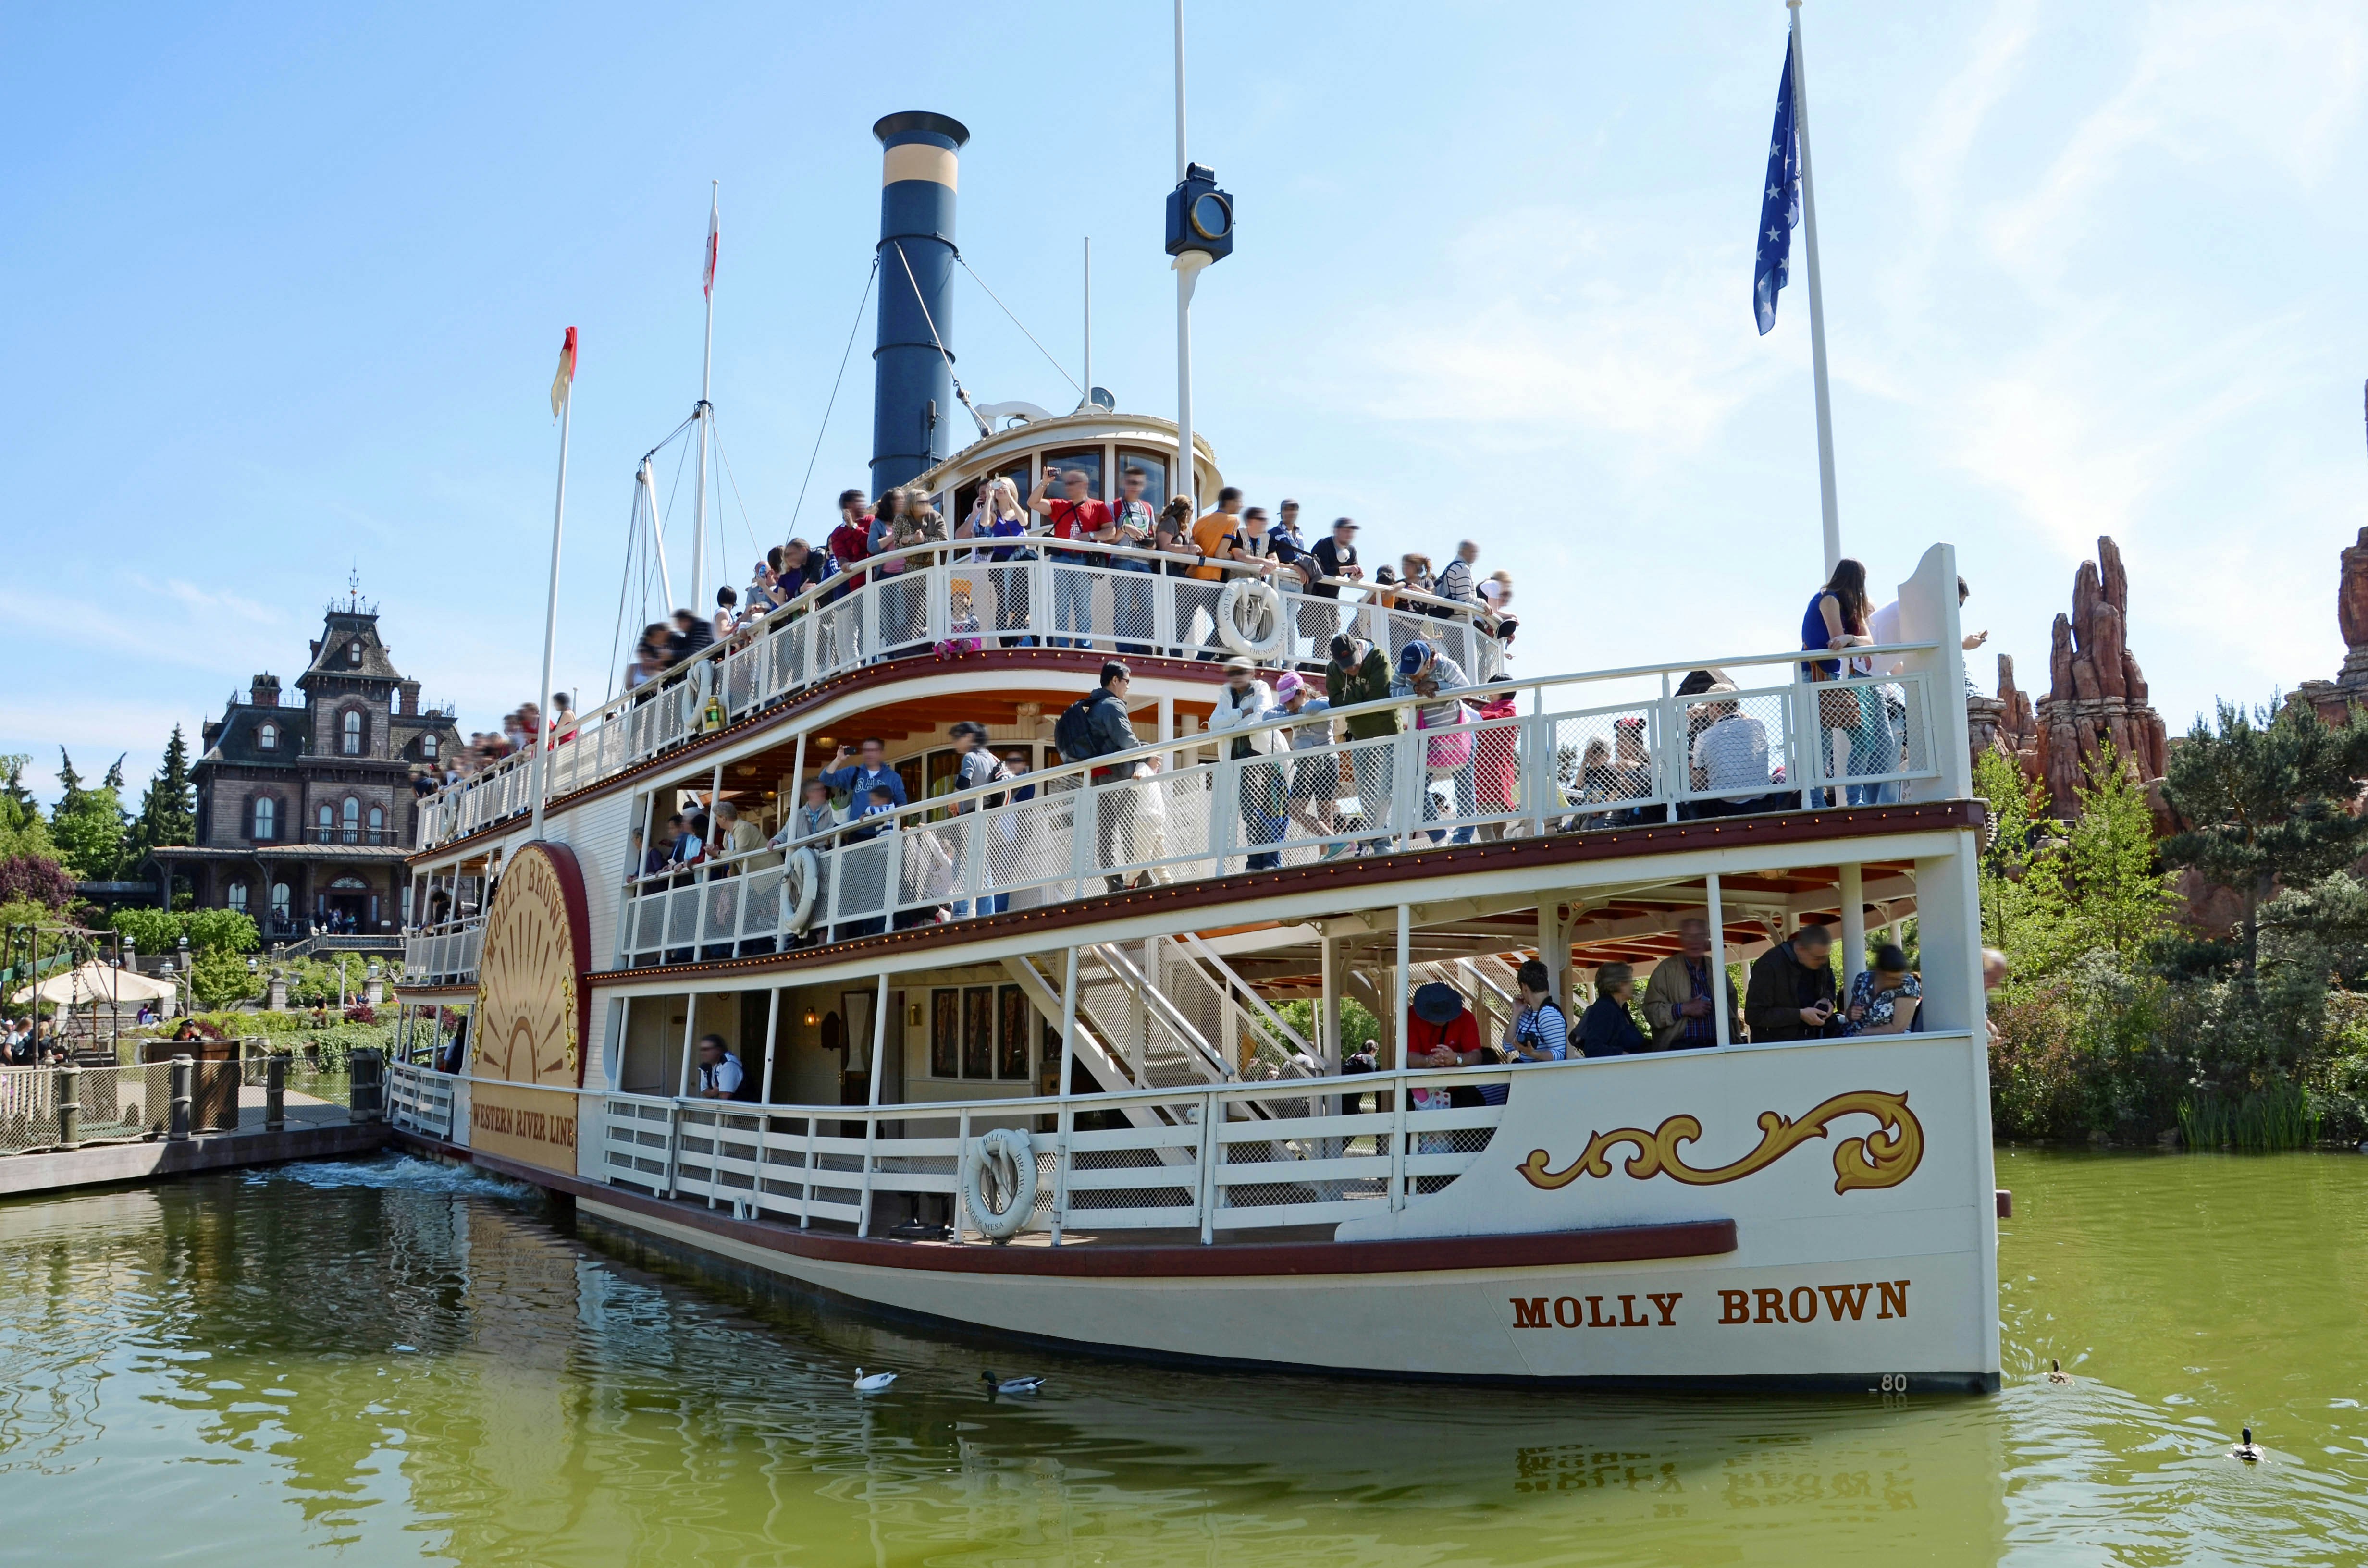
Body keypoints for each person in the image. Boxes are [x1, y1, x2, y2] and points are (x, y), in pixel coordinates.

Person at [1054, 662, 1140, 890]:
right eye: (1127, 681)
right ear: (1115, 681)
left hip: (1097, 777)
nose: (1128, 687)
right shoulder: (1112, 705)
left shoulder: (1092, 706)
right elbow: (1127, 742)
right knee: (1130, 828)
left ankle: (1114, 884)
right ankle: (1138, 879)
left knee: (1106, 832)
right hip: (1118, 776)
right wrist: (1147, 753)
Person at [1206, 656, 1286, 871]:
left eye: (1240, 672)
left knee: (1271, 810)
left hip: (1263, 758)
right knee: (1251, 812)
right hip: (1238, 762)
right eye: (1231, 673)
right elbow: (1213, 725)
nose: (1236, 677)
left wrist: (1231, 724)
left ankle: (1271, 861)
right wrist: (1241, 713)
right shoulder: (1226, 695)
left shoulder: (1261, 689)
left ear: (1251, 674)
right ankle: (1255, 861)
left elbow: (1260, 717)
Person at [1395, 641, 1476, 844]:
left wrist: (1438, 686)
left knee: (1465, 786)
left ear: (1428, 663)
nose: (1410, 676)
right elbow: (1392, 692)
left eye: (1416, 672)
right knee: (1415, 787)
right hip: (1426, 739)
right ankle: (1439, 835)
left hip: (1457, 735)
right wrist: (1415, 689)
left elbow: (1467, 689)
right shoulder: (1403, 669)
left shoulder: (1446, 665)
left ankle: (1464, 838)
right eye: (1408, 672)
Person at [1326, 633, 1400, 852]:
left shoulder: (1378, 658)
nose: (1351, 669)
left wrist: (1351, 698)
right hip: (1359, 736)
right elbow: (1335, 703)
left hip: (1387, 734)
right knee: (1366, 793)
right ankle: (1380, 842)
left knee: (1385, 791)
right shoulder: (1332, 670)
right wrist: (1362, 693)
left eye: (1354, 663)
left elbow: (1380, 696)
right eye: (1346, 667)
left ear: (1359, 649)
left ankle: (1372, 836)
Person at [1030, 466, 1114, 649]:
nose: (1068, 486)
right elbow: (1033, 503)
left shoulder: (1098, 506)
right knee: (1059, 607)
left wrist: (1091, 536)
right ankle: (1061, 647)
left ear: (1084, 485)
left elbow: (1111, 531)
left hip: (1083, 560)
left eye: (1072, 483)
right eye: (1067, 483)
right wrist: (1045, 483)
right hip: (1061, 559)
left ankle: (1084, 647)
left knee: (1083, 607)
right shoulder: (1060, 505)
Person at [1642, 916, 1740, 1050]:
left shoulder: (1715, 967)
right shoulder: (1666, 970)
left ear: (1706, 940)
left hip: (1717, 1047)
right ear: (1682, 940)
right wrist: (1684, 1009)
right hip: (1679, 1049)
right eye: (1689, 936)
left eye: (1699, 936)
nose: (1695, 941)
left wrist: (1736, 1040)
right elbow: (1651, 1012)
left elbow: (1732, 1008)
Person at [1687, 683, 1778, 818]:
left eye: (1709, 707)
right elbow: (1744, 718)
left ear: (1716, 708)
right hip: (1761, 803)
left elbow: (1699, 785)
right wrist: (1721, 707)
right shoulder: (1757, 726)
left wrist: (1693, 772)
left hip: (1724, 807)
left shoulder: (1705, 737)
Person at [1744, 921, 1844, 1043]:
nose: (1823, 962)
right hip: (1776, 1047)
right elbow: (1754, 1015)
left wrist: (1827, 1000)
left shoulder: (1819, 957)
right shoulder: (1769, 966)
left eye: (1825, 957)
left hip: (1813, 1041)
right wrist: (1799, 1015)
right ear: (1801, 949)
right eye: (1818, 958)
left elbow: (1829, 982)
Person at [1274, 671, 1337, 847]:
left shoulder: (1319, 702)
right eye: (1285, 703)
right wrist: (1287, 710)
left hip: (1326, 760)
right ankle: (1336, 843)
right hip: (1305, 763)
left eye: (1290, 701)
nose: (1288, 707)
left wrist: (1300, 710)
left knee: (1325, 812)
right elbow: (1267, 716)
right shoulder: (1290, 710)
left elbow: (1323, 706)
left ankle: (1329, 854)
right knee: (1294, 809)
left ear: (1303, 693)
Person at [1406, 982, 1485, 1119]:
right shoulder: (1411, 1016)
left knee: (1475, 1102)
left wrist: (1457, 1058)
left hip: (1457, 1088)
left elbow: (1477, 1057)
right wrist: (1430, 1061)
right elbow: (1411, 1058)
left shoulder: (1466, 1018)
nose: (1440, 1019)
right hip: (1421, 1088)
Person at [1105, 465, 1159, 657]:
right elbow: (1110, 539)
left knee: (1148, 608)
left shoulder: (1148, 508)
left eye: (1139, 483)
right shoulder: (1114, 506)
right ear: (1124, 483)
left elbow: (1153, 541)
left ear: (1144, 486)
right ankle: (1125, 650)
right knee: (1123, 607)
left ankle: (1144, 648)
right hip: (1122, 561)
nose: (1135, 487)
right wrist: (1126, 529)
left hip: (1144, 562)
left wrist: (1148, 542)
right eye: (1131, 482)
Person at [1845, 943, 1922, 1035]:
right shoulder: (1862, 979)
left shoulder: (1908, 985)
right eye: (1891, 979)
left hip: (1887, 1041)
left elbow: (1898, 1028)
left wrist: (1861, 1033)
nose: (1897, 982)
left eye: (1899, 978)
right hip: (1851, 1038)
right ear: (1879, 972)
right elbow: (1850, 1011)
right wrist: (1851, 1013)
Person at [1576, 966, 1648, 1056]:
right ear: (1619, 984)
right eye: (1629, 981)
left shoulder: (1621, 1009)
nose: (1632, 985)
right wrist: (1622, 1054)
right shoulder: (1605, 1008)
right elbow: (1593, 1049)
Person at [817, 738, 907, 809]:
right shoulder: (853, 772)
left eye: (873, 750)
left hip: (882, 826)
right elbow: (825, 779)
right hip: (857, 826)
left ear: (881, 753)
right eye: (866, 751)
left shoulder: (893, 777)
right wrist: (838, 760)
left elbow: (901, 803)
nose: (869, 754)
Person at [692, 1034, 746, 1100]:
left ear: (718, 1050)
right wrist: (713, 1092)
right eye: (702, 1050)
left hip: (744, 1105)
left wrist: (712, 1093)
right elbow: (704, 1090)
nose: (703, 1053)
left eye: (707, 1049)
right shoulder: (706, 1065)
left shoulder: (728, 1064)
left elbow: (724, 1097)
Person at [1436, 540, 1479, 607]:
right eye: (1471, 552)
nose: (1475, 555)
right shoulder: (1462, 568)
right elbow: (1465, 599)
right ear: (1462, 551)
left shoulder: (1453, 566)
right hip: (1455, 613)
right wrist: (1483, 603)